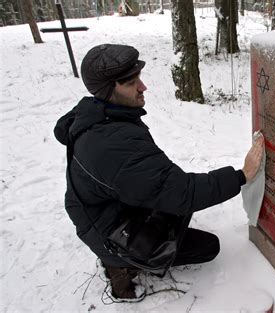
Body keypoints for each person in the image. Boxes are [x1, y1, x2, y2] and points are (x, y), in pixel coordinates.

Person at [54, 44, 264, 302]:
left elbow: (161, 183)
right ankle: (120, 266)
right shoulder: (112, 145)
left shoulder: (101, 114)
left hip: (107, 208)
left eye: (139, 79)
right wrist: (242, 175)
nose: (143, 87)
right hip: (108, 231)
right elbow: (181, 192)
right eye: (131, 83)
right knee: (208, 246)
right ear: (108, 90)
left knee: (178, 209)